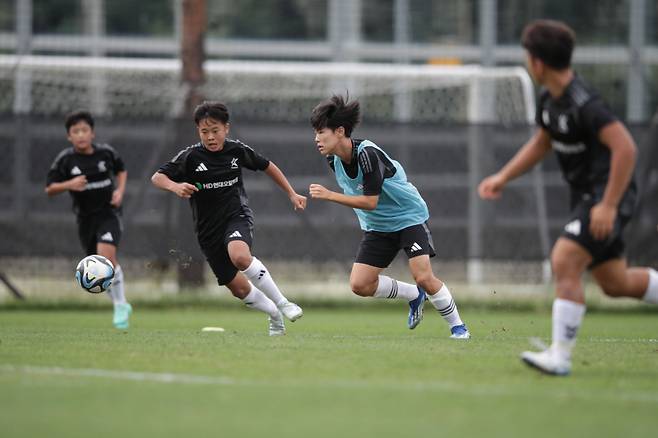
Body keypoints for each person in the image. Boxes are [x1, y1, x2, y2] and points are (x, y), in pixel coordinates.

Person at [478, 20, 658, 376]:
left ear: (538, 62)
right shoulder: (550, 102)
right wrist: (503, 177)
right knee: (614, 282)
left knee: (564, 259)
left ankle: (560, 357)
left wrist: (607, 205)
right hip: (588, 197)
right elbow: (542, 144)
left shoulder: (584, 102)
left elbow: (625, 147)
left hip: (607, 195)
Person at [308, 94, 470, 339]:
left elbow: (370, 201)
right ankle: (413, 295)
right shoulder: (334, 159)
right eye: (315, 133)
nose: (317, 139)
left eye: (322, 132)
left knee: (424, 276)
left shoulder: (367, 154)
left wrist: (329, 195)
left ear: (340, 131)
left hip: (408, 218)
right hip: (378, 227)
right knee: (360, 285)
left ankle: (458, 327)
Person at [151, 101, 307, 336]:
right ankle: (274, 314)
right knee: (238, 289)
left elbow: (268, 166)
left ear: (226, 128)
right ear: (198, 132)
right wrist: (175, 186)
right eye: (205, 132)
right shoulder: (191, 157)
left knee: (240, 256)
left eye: (215, 131)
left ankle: (284, 303)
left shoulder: (236, 150)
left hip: (237, 217)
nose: (211, 137)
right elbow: (157, 177)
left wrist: (292, 193)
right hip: (207, 232)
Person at [46, 110, 132, 329]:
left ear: (92, 133)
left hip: (109, 214)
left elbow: (122, 170)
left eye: (85, 130)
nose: (81, 135)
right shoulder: (66, 160)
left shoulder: (106, 153)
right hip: (85, 220)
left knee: (107, 257)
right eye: (76, 131)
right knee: (97, 273)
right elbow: (50, 188)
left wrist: (120, 191)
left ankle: (120, 305)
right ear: (69, 136)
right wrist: (69, 184)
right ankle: (119, 303)